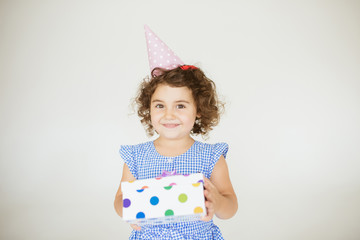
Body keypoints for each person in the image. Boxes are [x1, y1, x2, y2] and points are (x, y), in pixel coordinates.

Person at [114, 25, 238, 240]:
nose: (169, 115)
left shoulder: (211, 157)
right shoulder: (135, 157)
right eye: (160, 105)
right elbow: (119, 198)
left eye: (180, 106)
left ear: (198, 110)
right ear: (149, 108)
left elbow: (230, 207)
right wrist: (127, 209)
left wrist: (217, 201)